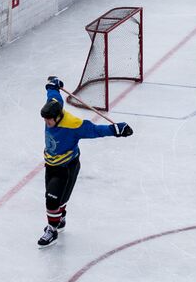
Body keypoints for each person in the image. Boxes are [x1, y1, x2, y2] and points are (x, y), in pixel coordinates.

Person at [38, 77, 133, 246]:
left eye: (49, 121)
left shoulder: (74, 125)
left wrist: (116, 129)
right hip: (50, 165)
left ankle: (51, 230)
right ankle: (59, 219)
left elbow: (96, 130)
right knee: (55, 197)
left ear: (58, 117)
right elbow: (53, 94)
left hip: (67, 166)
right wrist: (53, 84)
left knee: (53, 199)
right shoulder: (53, 106)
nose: (47, 123)